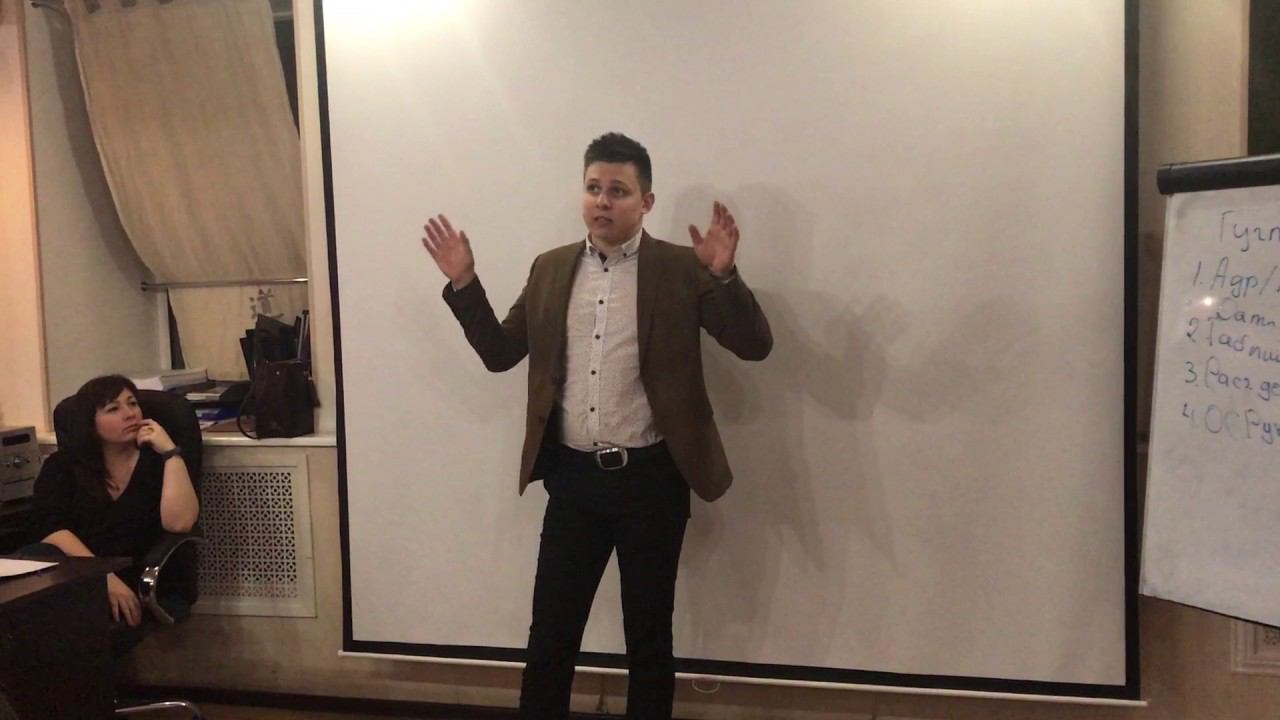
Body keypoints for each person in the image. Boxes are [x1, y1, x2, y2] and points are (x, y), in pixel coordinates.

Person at [421, 132, 772, 719]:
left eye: (618, 190)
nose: (602, 201)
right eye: (593, 188)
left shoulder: (681, 268)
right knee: (550, 640)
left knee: (649, 642)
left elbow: (754, 345)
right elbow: (500, 353)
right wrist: (464, 284)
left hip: (652, 482)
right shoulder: (551, 268)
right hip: (574, 483)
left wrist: (724, 277)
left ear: (646, 201)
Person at [24, 375, 200, 636]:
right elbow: (51, 528)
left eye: (132, 403)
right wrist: (103, 577)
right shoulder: (63, 466)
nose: (130, 414)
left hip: (139, 577)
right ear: (90, 423)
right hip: (83, 573)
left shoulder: (157, 462)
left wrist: (171, 453)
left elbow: (179, 524)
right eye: (113, 409)